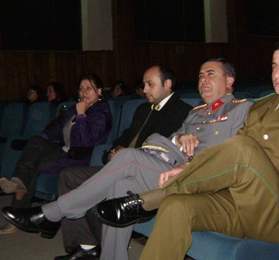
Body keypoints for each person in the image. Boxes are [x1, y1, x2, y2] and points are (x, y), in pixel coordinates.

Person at [97, 39, 279, 259]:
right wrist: (187, 167)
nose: (278, 73)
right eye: (274, 66)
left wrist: (259, 175)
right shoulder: (261, 107)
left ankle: (148, 200)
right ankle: (163, 197)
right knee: (177, 207)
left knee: (241, 147)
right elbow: (228, 160)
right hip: (238, 204)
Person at [0, 57, 253, 260]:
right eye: (200, 75)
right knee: (121, 187)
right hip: (168, 170)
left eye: (211, 74)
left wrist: (188, 159)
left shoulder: (242, 109)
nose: (203, 80)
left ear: (229, 80)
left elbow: (237, 153)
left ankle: (52, 213)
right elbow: (169, 140)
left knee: (131, 157)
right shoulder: (196, 113)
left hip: (199, 179)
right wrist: (179, 140)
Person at [57, 64, 192, 257]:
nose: (144, 89)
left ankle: (67, 220)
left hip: (143, 173)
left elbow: (165, 152)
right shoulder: (143, 109)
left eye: (149, 84)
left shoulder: (183, 112)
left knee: (100, 186)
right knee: (68, 176)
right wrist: (114, 151)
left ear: (167, 84)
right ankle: (86, 245)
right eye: (144, 84)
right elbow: (124, 137)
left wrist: (128, 153)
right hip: (118, 165)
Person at [0, 73, 112, 235]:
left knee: (33, 165)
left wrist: (81, 115)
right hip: (62, 150)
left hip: (80, 156)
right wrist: (43, 141)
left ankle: (19, 212)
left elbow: (84, 142)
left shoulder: (101, 112)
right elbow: (56, 127)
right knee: (35, 144)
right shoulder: (75, 108)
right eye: (81, 89)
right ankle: (18, 182)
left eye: (89, 89)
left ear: (99, 91)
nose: (84, 92)